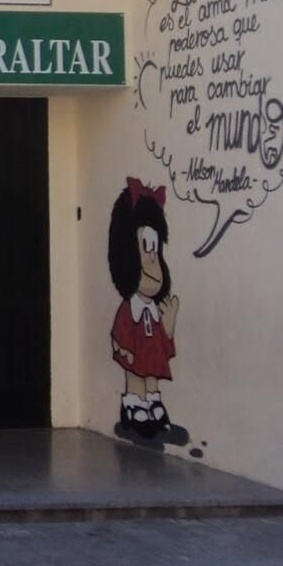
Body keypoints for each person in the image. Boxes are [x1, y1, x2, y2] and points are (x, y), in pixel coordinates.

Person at [106, 177, 180, 436]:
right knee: (135, 375)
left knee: (151, 376)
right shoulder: (130, 310)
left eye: (155, 251)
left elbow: (162, 341)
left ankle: (152, 402)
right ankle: (135, 404)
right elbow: (121, 331)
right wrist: (123, 348)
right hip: (136, 354)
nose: (152, 261)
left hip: (150, 354)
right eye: (145, 248)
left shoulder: (152, 309)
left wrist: (168, 328)